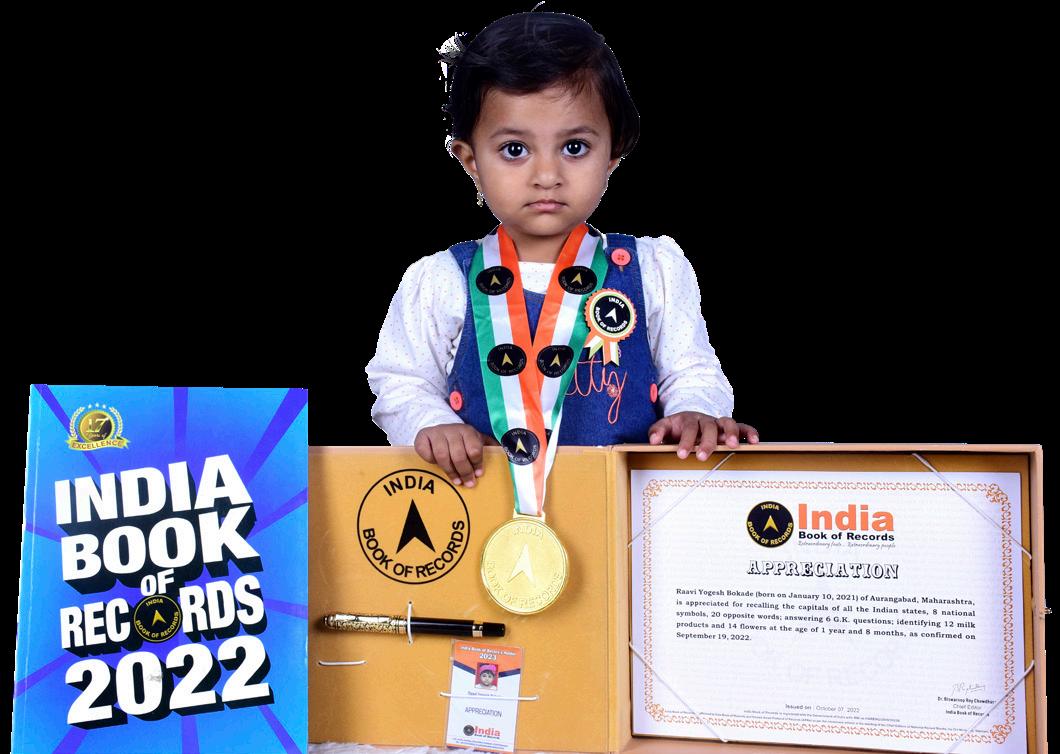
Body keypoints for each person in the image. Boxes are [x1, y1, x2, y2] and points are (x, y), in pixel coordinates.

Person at [366, 9, 759, 489]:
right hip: (484, 510)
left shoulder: (655, 270)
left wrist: (696, 411)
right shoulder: (440, 280)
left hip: (627, 512)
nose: (547, 175)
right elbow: (400, 380)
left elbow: (692, 370)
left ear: (612, 154)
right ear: (470, 160)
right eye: (515, 149)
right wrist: (431, 424)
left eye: (574, 147)